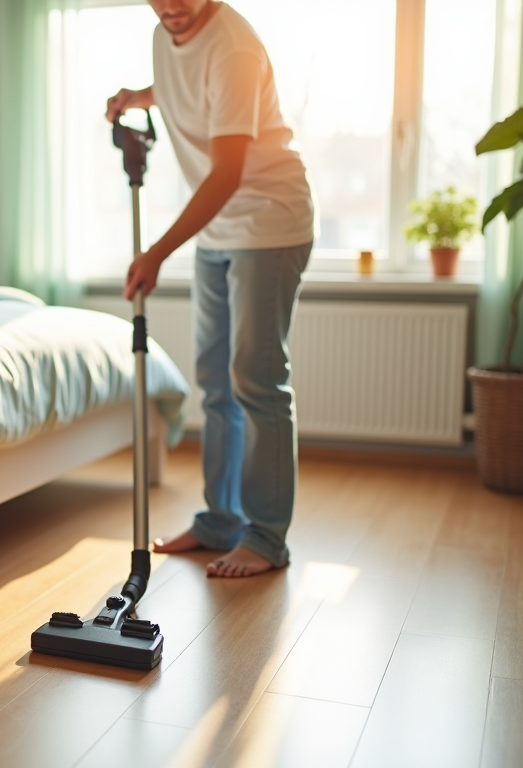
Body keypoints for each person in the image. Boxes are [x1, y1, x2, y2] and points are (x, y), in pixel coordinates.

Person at [107, 0, 314, 578]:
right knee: (214, 378)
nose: (171, 5)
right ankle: (220, 520)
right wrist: (137, 98)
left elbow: (226, 172)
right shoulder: (162, 34)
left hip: (269, 222)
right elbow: (181, 85)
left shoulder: (235, 46)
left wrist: (156, 253)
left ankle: (266, 536)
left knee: (257, 379)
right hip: (217, 229)